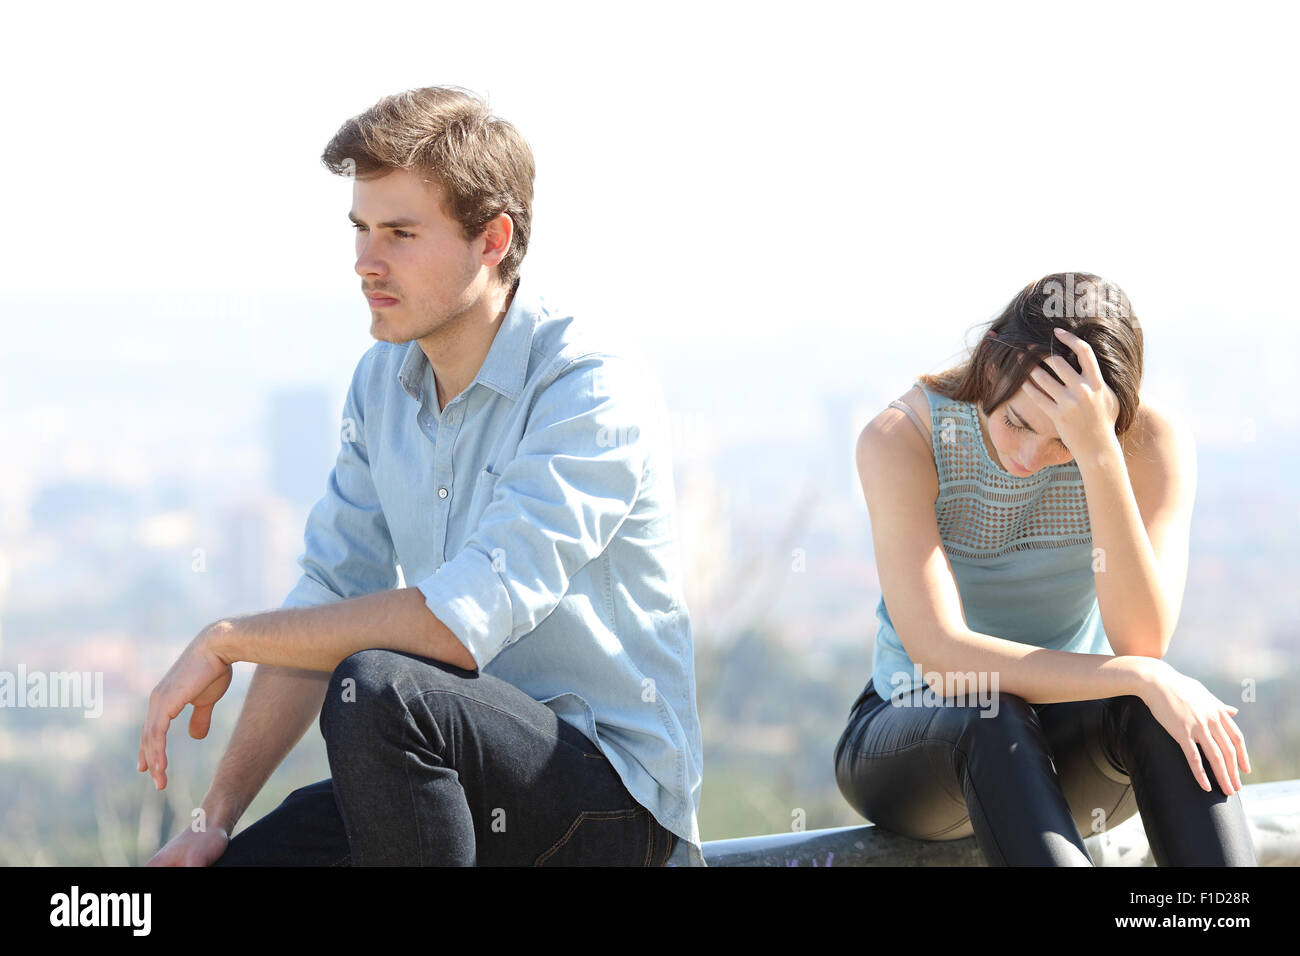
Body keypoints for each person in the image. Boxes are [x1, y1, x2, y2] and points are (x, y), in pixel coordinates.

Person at [138, 85, 705, 867]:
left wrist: (229, 639)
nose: (367, 263)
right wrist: (214, 817)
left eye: (401, 233)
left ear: (492, 239)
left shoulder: (588, 385)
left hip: (606, 808)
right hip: (450, 788)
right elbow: (327, 601)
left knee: (374, 689)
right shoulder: (381, 384)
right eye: (361, 230)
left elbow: (457, 623)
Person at [833, 272, 1257, 866]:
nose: (1031, 457)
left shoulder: (1147, 443)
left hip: (1065, 748)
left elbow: (1142, 640)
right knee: (992, 705)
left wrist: (1099, 454)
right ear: (990, 366)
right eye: (1018, 423)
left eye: (1061, 439)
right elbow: (943, 655)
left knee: (1164, 711)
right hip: (921, 741)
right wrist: (1138, 675)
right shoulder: (905, 437)